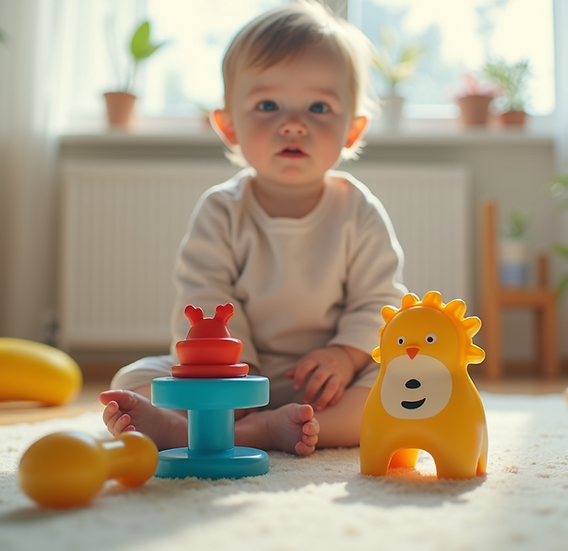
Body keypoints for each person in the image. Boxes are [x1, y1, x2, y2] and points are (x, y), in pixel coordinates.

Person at [99, 0, 406, 457]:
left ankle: (243, 433)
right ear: (228, 127)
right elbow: (202, 297)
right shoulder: (221, 210)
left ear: (353, 130)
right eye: (267, 104)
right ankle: (231, 425)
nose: (294, 124)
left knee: (398, 387)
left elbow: (380, 301)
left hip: (326, 387)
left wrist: (345, 356)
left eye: (319, 106)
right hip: (228, 378)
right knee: (133, 379)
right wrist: (233, 375)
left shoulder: (357, 209)